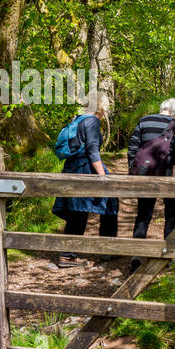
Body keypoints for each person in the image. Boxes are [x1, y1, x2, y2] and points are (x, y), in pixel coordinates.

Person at [52, 94, 119, 265]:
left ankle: (68, 254)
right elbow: (92, 149)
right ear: (100, 106)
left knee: (77, 211)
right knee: (110, 203)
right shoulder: (92, 121)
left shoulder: (78, 119)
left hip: (72, 168)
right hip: (86, 168)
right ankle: (106, 249)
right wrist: (102, 176)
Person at [128, 98, 175, 255]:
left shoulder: (144, 121)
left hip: (145, 174)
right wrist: (174, 181)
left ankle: (137, 253)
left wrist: (134, 173)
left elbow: (133, 148)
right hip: (167, 173)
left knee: (143, 213)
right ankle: (171, 252)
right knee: (171, 213)